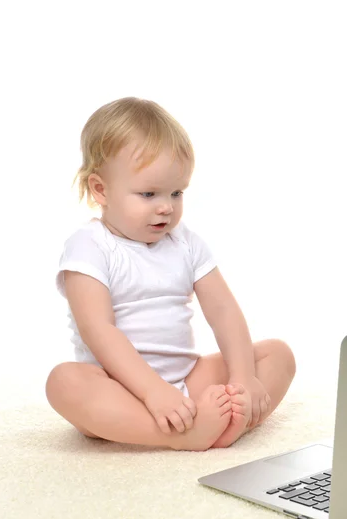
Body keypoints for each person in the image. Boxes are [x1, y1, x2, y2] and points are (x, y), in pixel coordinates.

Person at [46, 97, 296, 451]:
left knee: (277, 355)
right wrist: (153, 392)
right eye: (148, 193)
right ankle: (178, 434)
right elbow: (97, 330)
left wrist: (243, 379)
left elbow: (223, 311)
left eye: (176, 192)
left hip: (186, 381)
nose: (166, 206)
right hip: (121, 391)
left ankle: (229, 424)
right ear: (100, 190)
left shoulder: (186, 243)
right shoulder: (89, 246)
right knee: (64, 382)